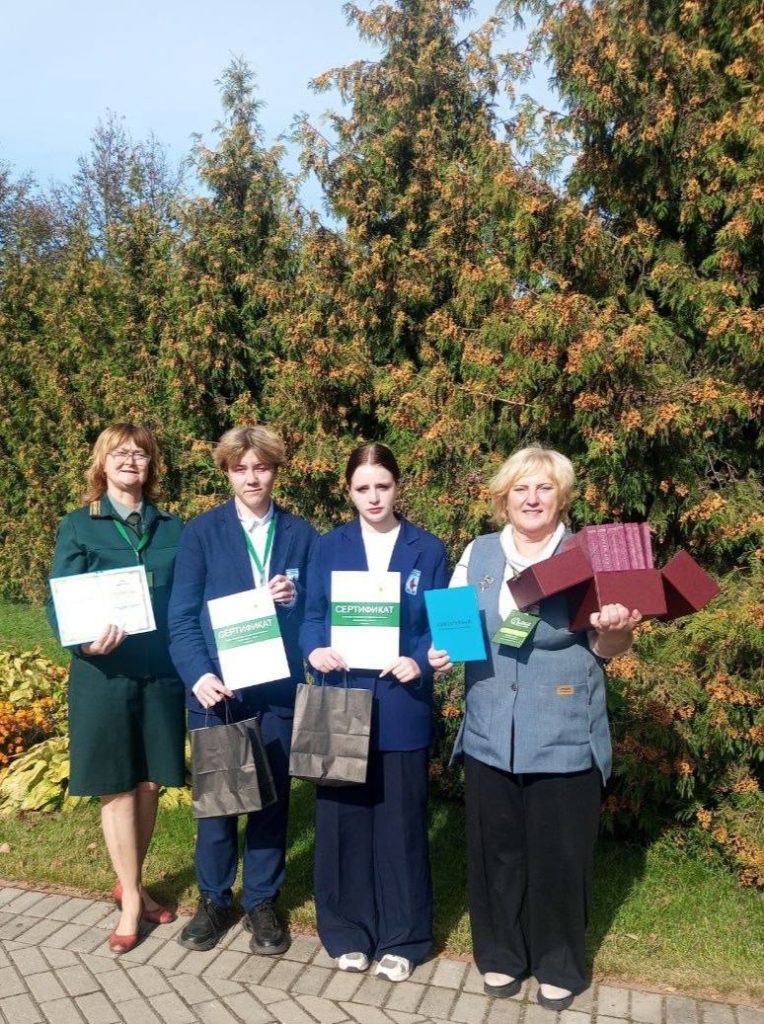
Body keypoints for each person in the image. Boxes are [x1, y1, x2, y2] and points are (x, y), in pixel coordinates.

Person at [429, 446, 641, 1010]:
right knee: (496, 852)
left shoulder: (589, 556)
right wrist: (441, 653)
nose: (532, 499)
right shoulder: (478, 553)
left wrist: (616, 628)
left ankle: (559, 964)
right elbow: (454, 629)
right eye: (520, 488)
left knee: (560, 857)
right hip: (490, 731)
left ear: (561, 497)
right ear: (504, 498)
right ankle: (501, 954)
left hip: (563, 731)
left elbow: (609, 648)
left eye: (544, 487)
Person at [300, 442, 449, 983]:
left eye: (382, 486)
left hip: (401, 703)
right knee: (343, 823)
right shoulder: (328, 546)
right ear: (349, 492)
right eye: (362, 488)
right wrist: (314, 649)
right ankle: (346, 932)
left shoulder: (427, 549)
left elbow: (440, 627)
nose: (373, 497)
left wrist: (421, 661)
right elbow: (311, 618)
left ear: (397, 487)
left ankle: (404, 937)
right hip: (342, 700)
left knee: (401, 824)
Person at [168, 425, 316, 955]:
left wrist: (296, 597)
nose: (252, 478)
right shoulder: (202, 533)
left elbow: (317, 614)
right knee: (218, 803)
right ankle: (214, 899)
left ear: (276, 471)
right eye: (241, 468)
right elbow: (182, 616)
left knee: (271, 802)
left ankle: (261, 900)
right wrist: (199, 675)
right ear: (227, 473)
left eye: (262, 467)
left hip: (276, 688)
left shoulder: (300, 533)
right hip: (219, 690)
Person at [47, 423, 185, 954]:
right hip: (103, 674)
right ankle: (131, 900)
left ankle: (134, 883)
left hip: (160, 673)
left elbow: (190, 595)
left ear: (151, 466)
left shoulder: (172, 528)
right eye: (119, 453)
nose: (130, 461)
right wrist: (82, 642)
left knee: (149, 784)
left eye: (140, 454)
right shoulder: (78, 525)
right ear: (102, 463)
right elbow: (60, 599)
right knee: (117, 785)